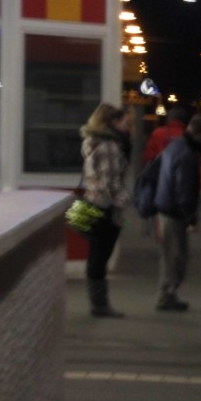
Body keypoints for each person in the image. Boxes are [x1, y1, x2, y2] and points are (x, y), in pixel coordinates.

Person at [152, 114, 201, 312]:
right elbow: (184, 189)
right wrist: (191, 218)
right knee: (175, 256)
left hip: (167, 207)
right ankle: (165, 295)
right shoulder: (186, 154)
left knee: (172, 255)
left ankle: (168, 294)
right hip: (174, 212)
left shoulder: (175, 146)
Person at [79, 102, 132, 317]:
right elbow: (110, 184)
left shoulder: (90, 141)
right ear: (112, 122)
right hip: (105, 208)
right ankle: (100, 305)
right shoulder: (110, 146)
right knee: (101, 257)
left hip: (90, 203)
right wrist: (125, 202)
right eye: (125, 122)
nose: (129, 127)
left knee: (94, 255)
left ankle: (97, 303)